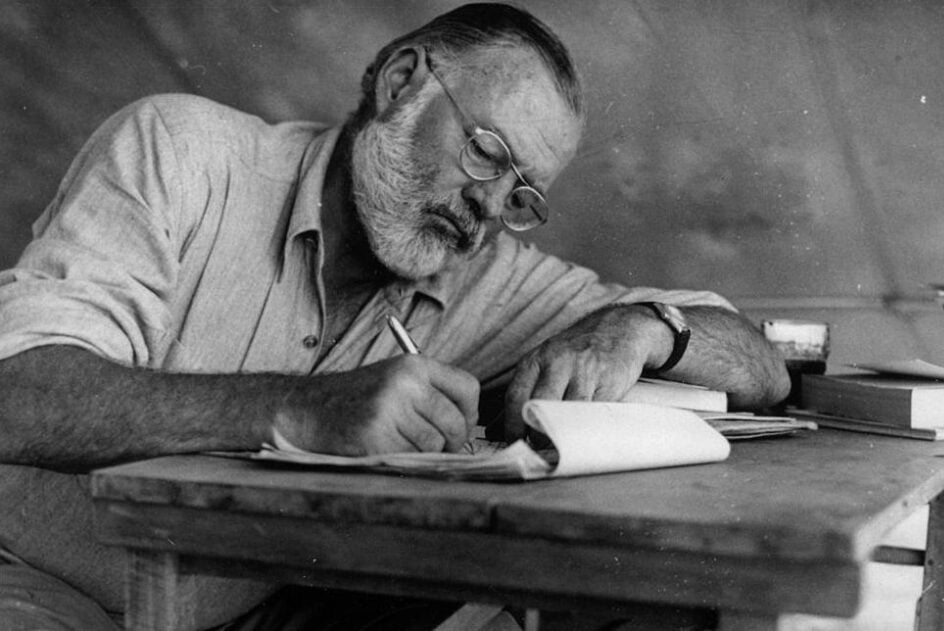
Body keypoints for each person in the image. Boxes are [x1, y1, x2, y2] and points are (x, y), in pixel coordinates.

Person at [0, 3, 790, 630]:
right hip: (39, 579)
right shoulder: (179, 151)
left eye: (522, 195)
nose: (488, 206)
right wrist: (306, 410)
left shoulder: (483, 272)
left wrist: (645, 326)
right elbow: (18, 393)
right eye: (486, 152)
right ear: (402, 81)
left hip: (252, 605)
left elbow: (763, 366)